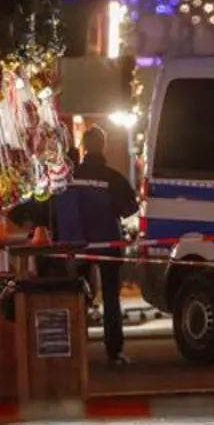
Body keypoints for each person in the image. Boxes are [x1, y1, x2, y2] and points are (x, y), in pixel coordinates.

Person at [51, 126, 138, 366]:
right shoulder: (113, 177)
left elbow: (56, 205)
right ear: (103, 145)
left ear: (84, 146)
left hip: (77, 243)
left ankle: (77, 351)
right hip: (108, 242)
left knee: (77, 298)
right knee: (111, 298)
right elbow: (130, 208)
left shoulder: (71, 175)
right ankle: (114, 351)